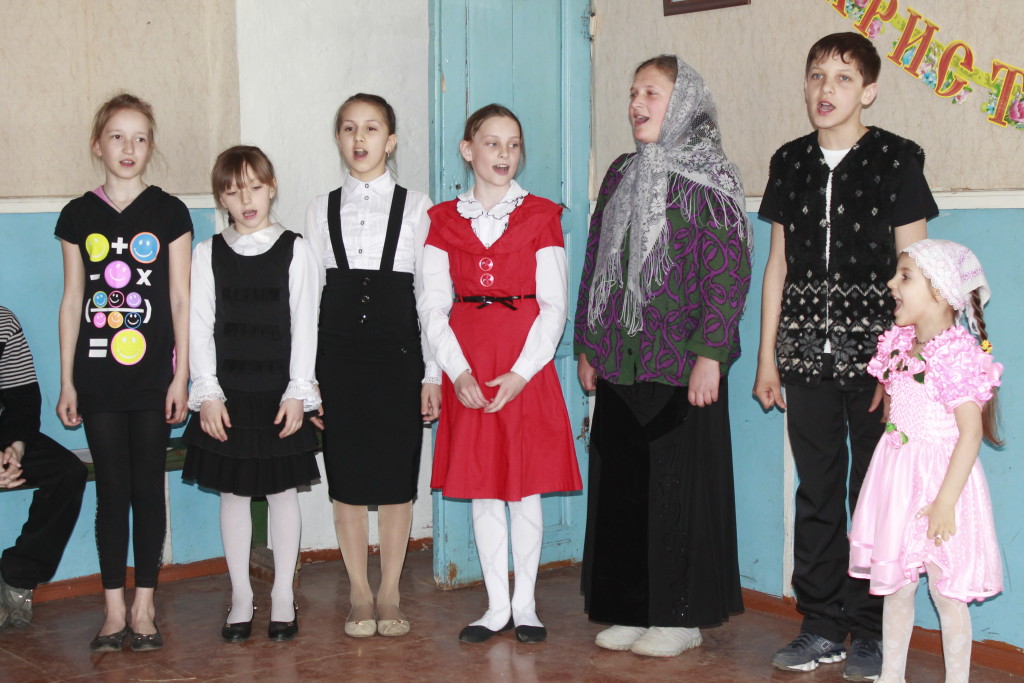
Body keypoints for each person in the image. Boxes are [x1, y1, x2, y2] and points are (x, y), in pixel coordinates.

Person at [753, 32, 939, 679]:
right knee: (818, 492)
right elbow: (777, 266)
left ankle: (872, 629)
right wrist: (768, 358)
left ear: (869, 90)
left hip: (878, 362)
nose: (825, 89)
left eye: (841, 77)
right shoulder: (789, 162)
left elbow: (916, 270)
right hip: (804, 357)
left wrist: (905, 365)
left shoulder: (896, 160)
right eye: (816, 76)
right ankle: (822, 624)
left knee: (875, 493)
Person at [575, 55, 750, 658]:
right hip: (619, 360)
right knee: (624, 491)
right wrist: (588, 344)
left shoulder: (713, 178)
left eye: (651, 92)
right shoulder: (620, 173)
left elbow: (728, 274)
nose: (636, 104)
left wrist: (711, 355)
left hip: (680, 363)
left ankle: (680, 619)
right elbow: (596, 261)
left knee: (679, 492)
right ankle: (630, 609)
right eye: (632, 93)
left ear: (684, 103)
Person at [420, 104, 582, 644]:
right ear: (468, 150)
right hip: (469, 365)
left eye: (513, 144)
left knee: (523, 486)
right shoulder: (443, 220)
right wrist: (457, 372)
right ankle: (494, 607)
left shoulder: (541, 215)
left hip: (523, 368)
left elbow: (554, 306)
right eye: (492, 143)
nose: (504, 154)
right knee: (484, 486)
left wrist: (520, 373)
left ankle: (526, 606)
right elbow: (432, 306)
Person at [55, 92, 192, 652]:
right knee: (112, 490)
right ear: (98, 145)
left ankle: (145, 605)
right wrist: (67, 380)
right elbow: (72, 300)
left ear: (150, 146)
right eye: (117, 136)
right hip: (97, 378)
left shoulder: (169, 213)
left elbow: (181, 300)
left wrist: (181, 377)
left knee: (147, 489)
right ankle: (113, 608)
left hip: (154, 376)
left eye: (139, 138)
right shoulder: (77, 216)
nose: (128, 147)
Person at [306, 93, 440, 638]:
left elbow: (430, 296)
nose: (359, 138)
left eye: (371, 128)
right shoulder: (320, 208)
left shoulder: (418, 207)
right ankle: (359, 592)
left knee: (395, 478)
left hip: (398, 356)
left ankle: (390, 591)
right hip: (338, 358)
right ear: (338, 139)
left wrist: (432, 373)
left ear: (391, 140)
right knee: (347, 476)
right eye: (348, 128)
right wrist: (307, 381)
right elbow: (309, 298)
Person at [183, 146, 321, 643]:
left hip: (280, 395)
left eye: (255, 188)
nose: (246, 200)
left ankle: (283, 594)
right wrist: (208, 391)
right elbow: (199, 328)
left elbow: (305, 326)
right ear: (220, 197)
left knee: (283, 493)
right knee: (234, 493)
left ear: (272, 187)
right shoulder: (207, 253)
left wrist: (298, 391)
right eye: (233, 191)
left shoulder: (295, 249)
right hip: (229, 396)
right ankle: (241, 595)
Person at [848, 239, 1003, 683]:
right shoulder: (898, 345)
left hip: (942, 485)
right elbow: (896, 412)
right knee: (897, 588)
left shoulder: (955, 354)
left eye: (905, 276)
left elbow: (970, 433)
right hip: (899, 481)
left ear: (940, 291)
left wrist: (944, 503)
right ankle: (891, 676)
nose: (890, 283)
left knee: (945, 590)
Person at [0, 306, 87, 630]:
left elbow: (22, 400)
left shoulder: (3, 322)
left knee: (67, 472)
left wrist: (15, 448)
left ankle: (17, 579)